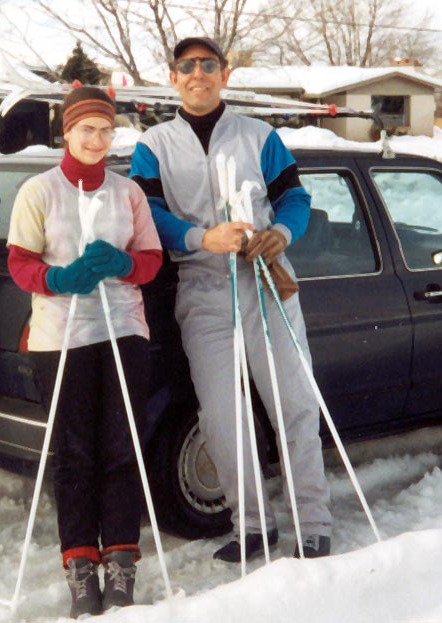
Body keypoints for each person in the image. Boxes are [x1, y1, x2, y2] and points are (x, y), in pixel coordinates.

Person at [129, 36, 332, 562]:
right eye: (187, 66)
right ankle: (252, 526)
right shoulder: (154, 143)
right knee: (222, 415)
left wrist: (282, 234)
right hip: (202, 288)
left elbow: (295, 198)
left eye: (208, 65)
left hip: (265, 281)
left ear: (224, 74)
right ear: (173, 78)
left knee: (292, 403)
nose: (198, 73)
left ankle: (313, 523)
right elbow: (149, 213)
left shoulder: (259, 134)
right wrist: (201, 239)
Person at [7, 87, 162, 617]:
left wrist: (122, 264)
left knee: (122, 447)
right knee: (73, 452)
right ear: (66, 133)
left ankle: (121, 558)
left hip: (122, 330)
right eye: (85, 129)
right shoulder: (39, 190)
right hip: (61, 336)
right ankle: (79, 562)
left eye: (104, 129)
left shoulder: (128, 193)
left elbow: (151, 261)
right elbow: (20, 263)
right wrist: (57, 276)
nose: (96, 139)